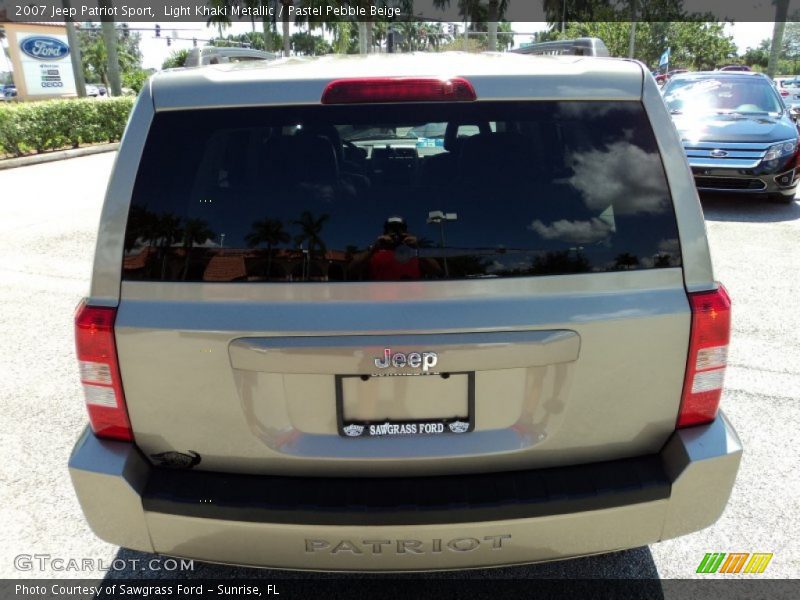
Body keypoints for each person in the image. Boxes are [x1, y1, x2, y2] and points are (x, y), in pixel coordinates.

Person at [349, 216, 440, 281]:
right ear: (385, 232)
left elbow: (436, 270)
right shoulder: (373, 252)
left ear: (406, 232)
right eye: (391, 229)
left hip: (412, 304)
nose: (396, 233)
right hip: (380, 304)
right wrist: (374, 248)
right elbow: (351, 270)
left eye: (400, 229)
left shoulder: (415, 253)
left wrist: (417, 248)